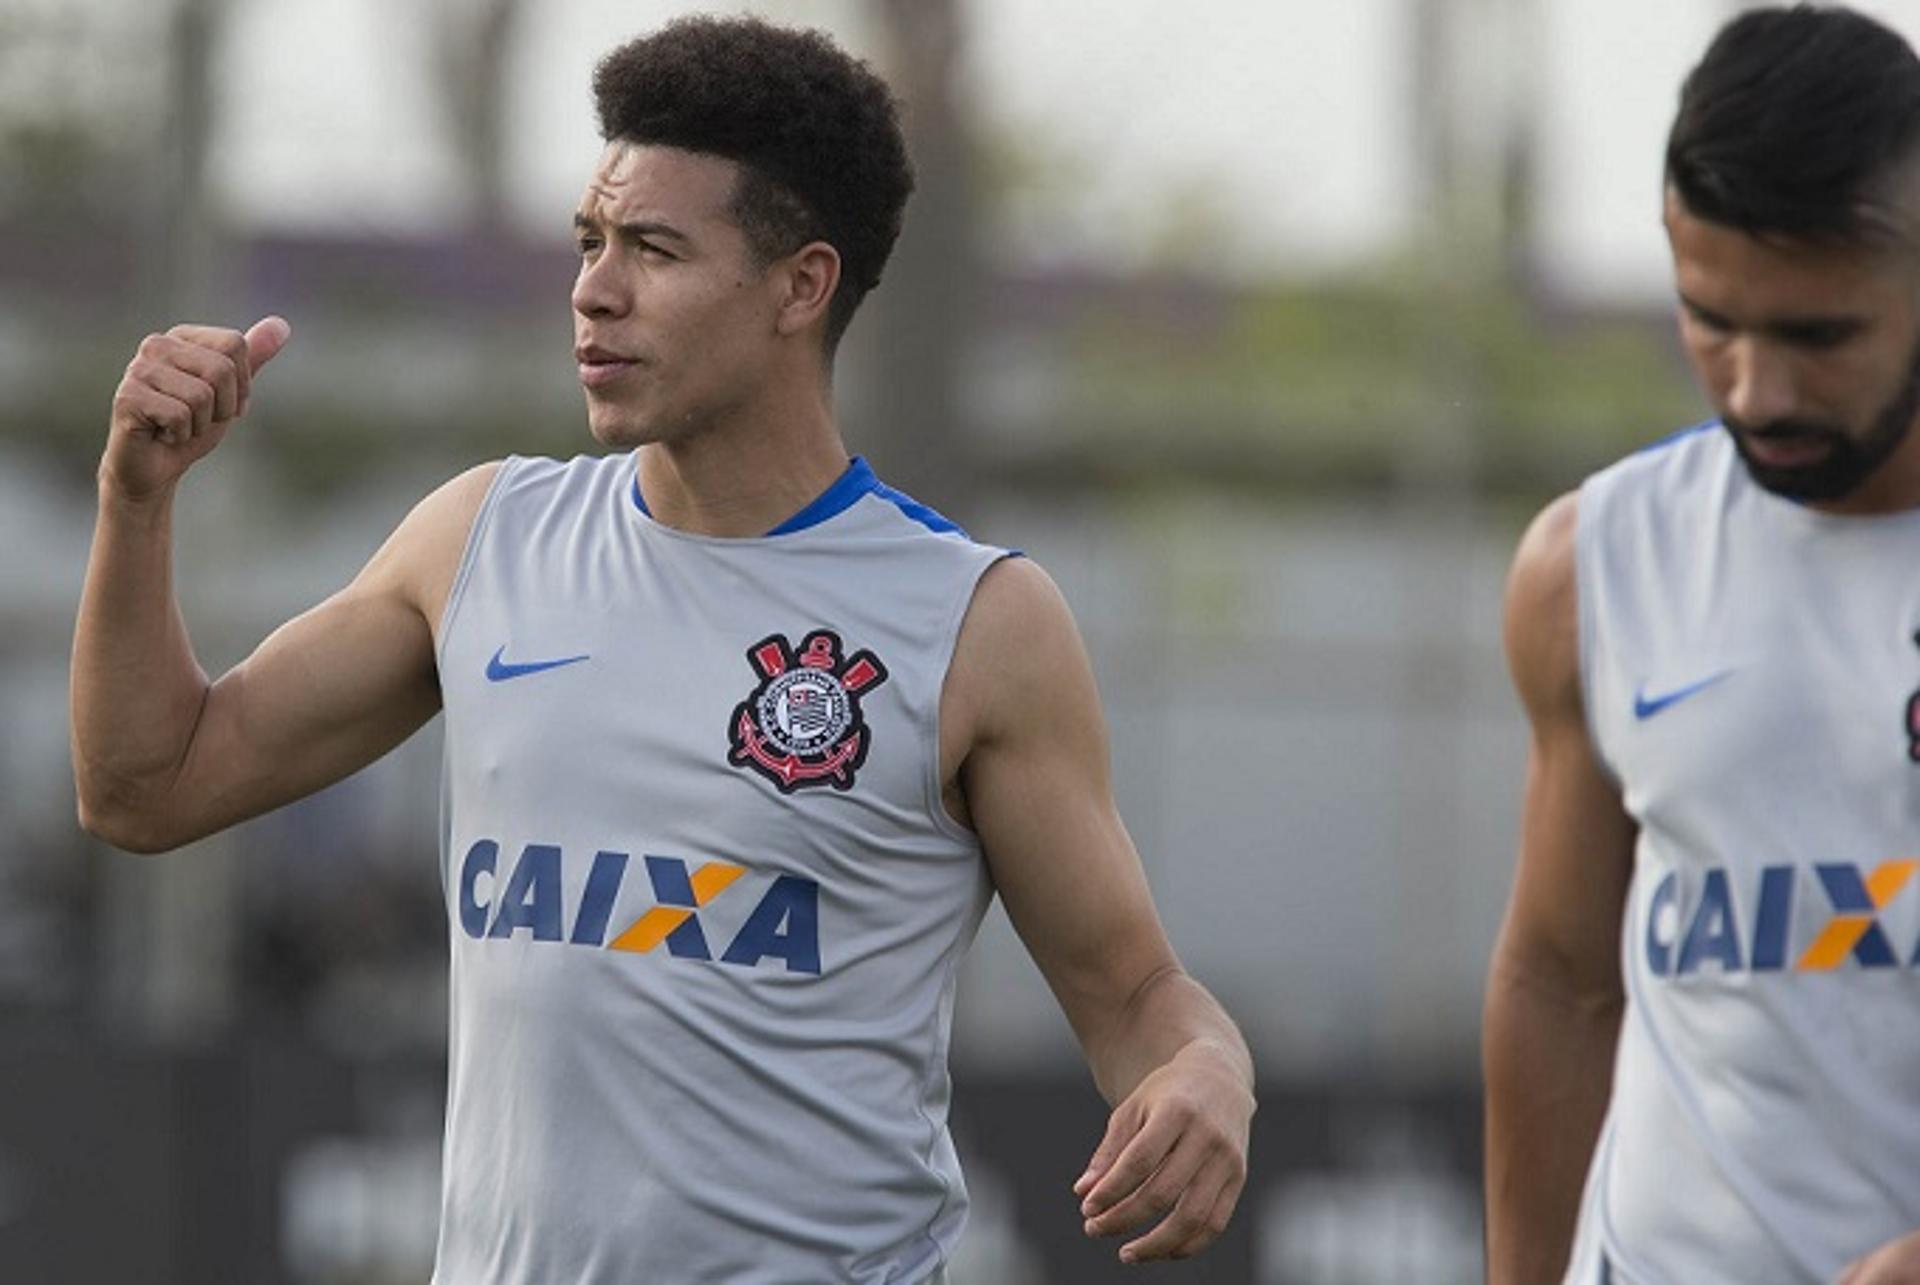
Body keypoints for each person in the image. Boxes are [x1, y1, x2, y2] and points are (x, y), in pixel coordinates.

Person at [69, 15, 1254, 1283]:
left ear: (801, 285)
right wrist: (136, 505)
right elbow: (149, 784)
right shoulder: (481, 541)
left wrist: (1208, 1077)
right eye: (591, 241)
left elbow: (1136, 998)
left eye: (654, 248)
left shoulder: (973, 621)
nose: (594, 287)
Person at [1483, 6, 1920, 1283]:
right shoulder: (1594, 564)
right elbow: (1560, 978)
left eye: (1817, 335)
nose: (1754, 389)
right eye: (1710, 320)